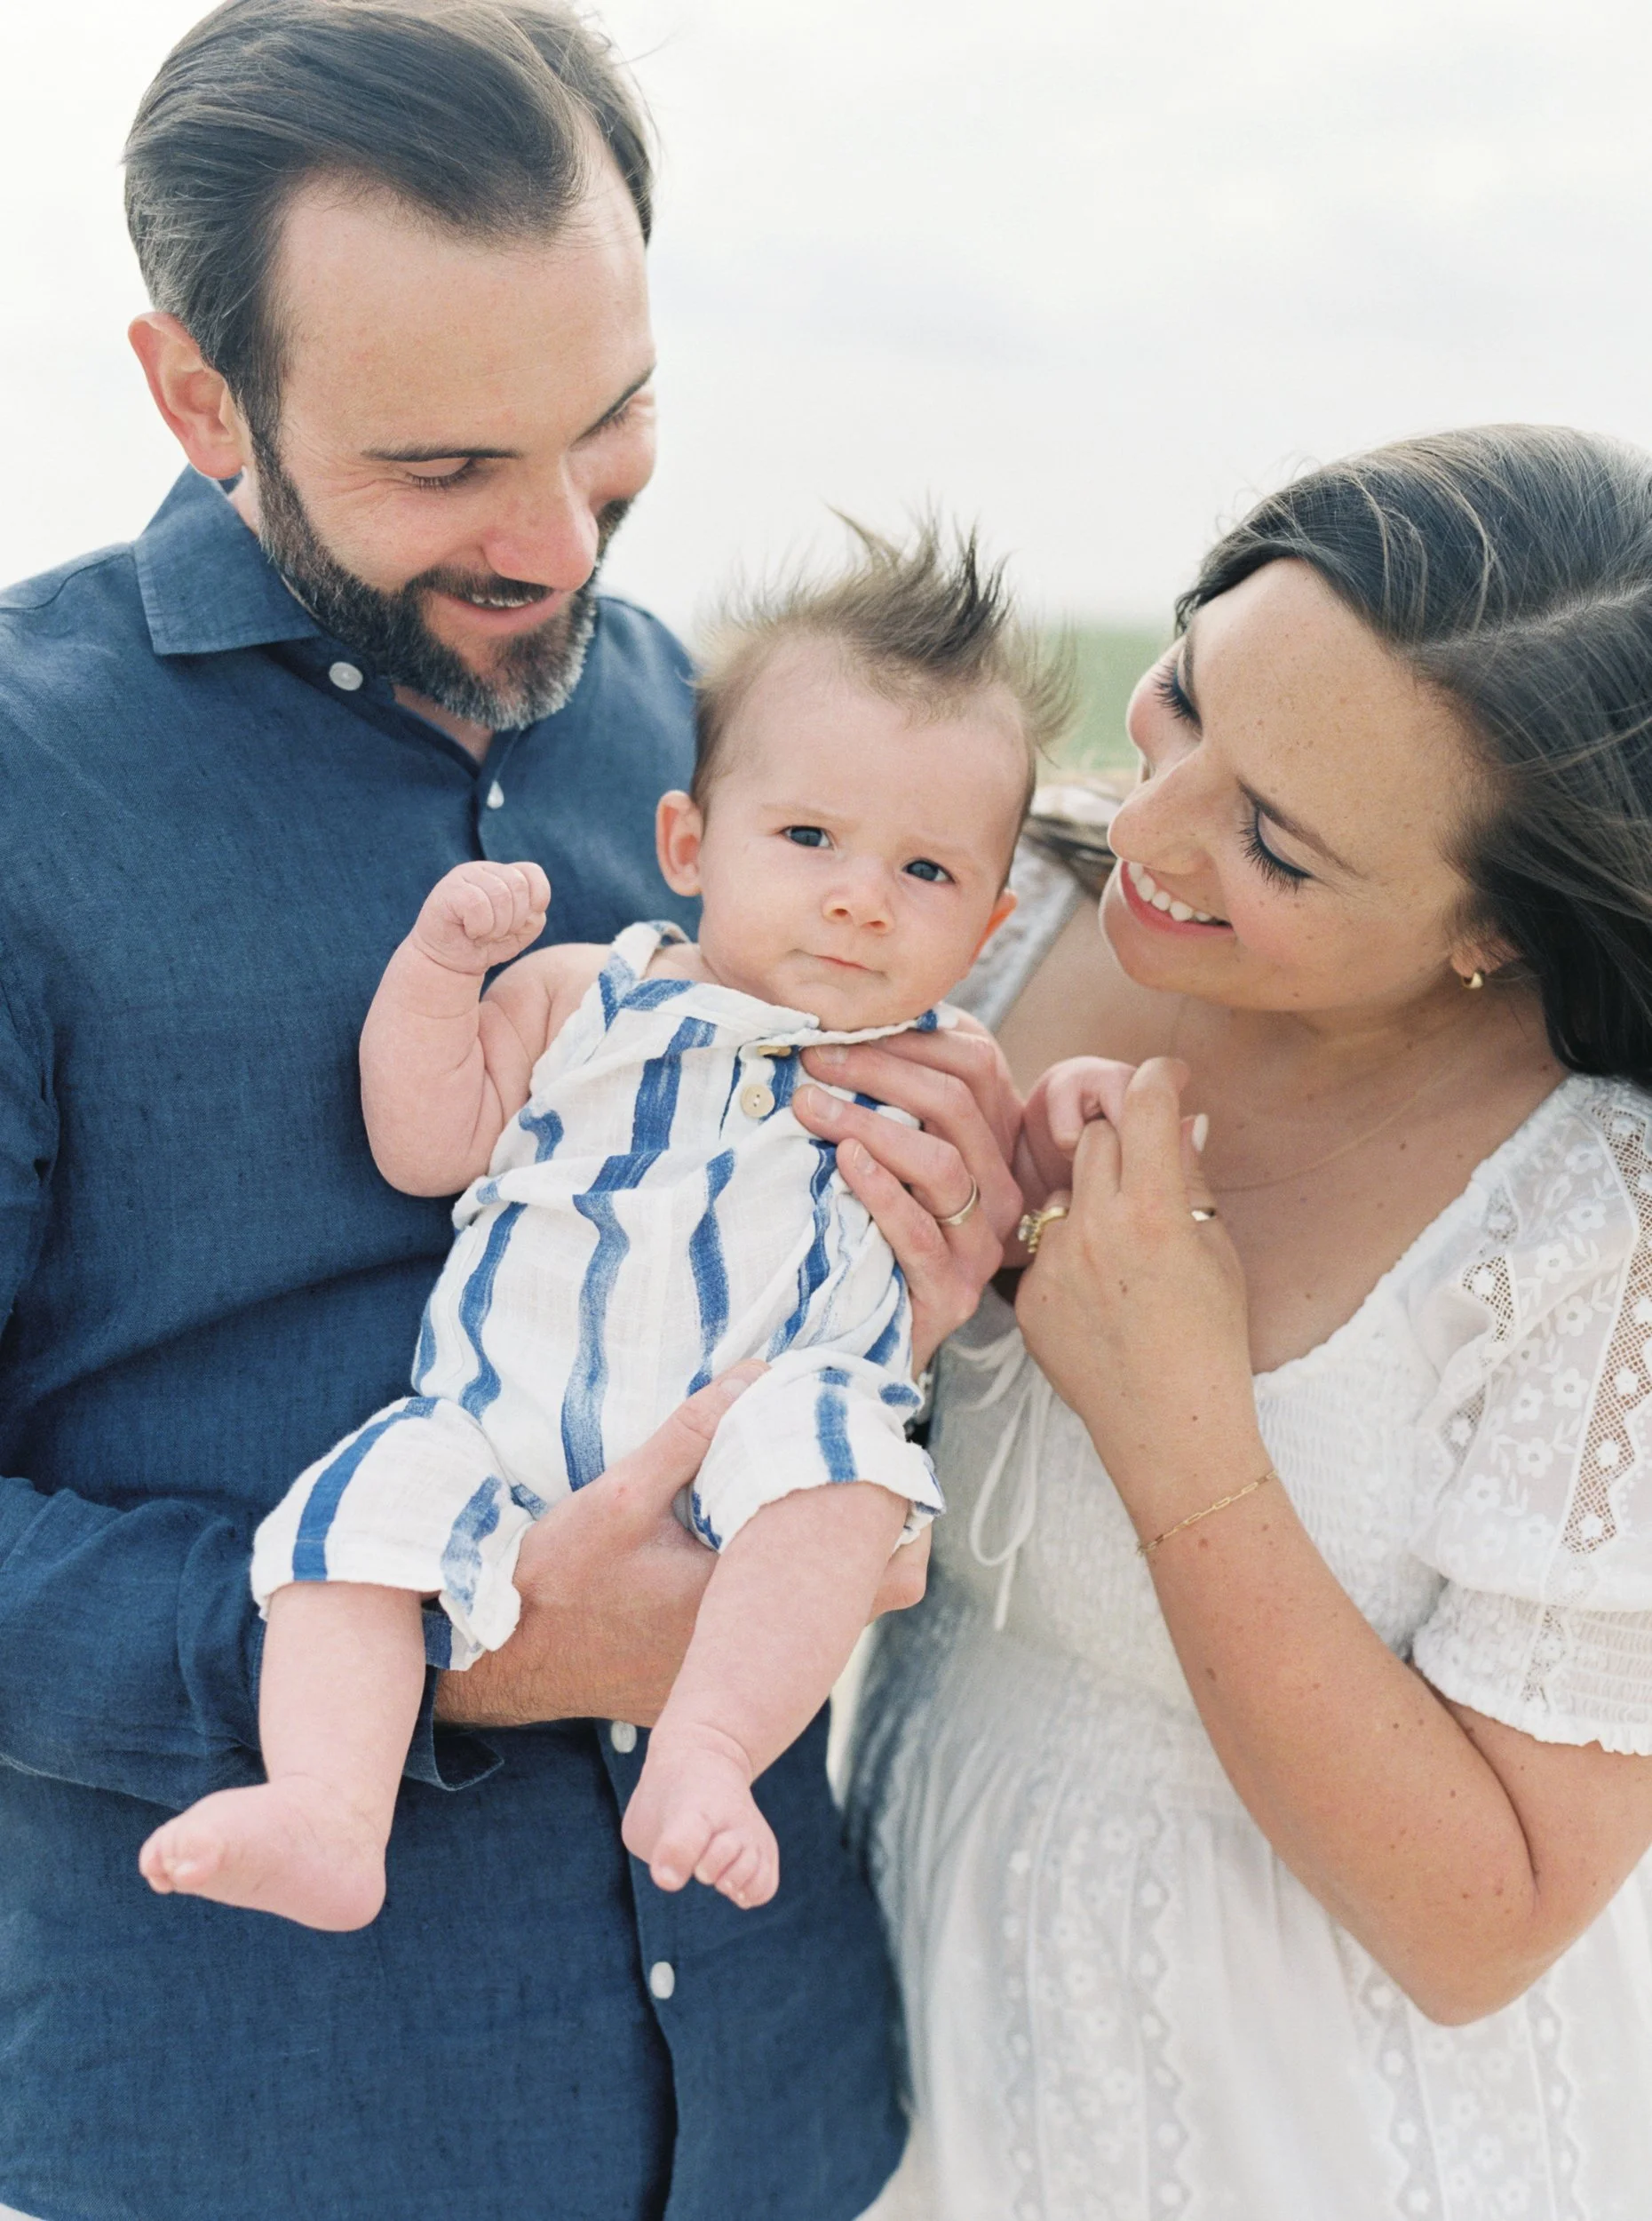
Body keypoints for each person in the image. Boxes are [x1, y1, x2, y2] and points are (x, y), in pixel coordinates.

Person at [0, 7, 1021, 2218]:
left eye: (617, 418)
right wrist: (458, 1652)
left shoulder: (726, 750)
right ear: (199, 400)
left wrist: (913, 1281)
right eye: (445, 467)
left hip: (788, 2101)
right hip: (273, 2126)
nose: (562, 540)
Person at [853, 426, 1652, 2219]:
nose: (1142, 824)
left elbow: (1489, 1926)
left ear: (1492, 937)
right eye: (1181, 696)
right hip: (904, 2029)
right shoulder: (973, 924)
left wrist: (1179, 1432)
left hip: (1307, 2126)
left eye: (1274, 843)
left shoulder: (1604, 1226)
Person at [138, 526, 1065, 1932]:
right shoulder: (594, 997)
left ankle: (706, 1748)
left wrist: (1071, 1123)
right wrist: (443, 972)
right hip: (493, 1428)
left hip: (755, 1441)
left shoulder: (938, 1073)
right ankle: (328, 1808)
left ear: (991, 921)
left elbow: (1002, 1240)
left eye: (925, 872)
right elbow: (428, 1135)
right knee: (351, 1523)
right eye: (808, 837)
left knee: (843, 1462)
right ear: (689, 843)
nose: (859, 896)